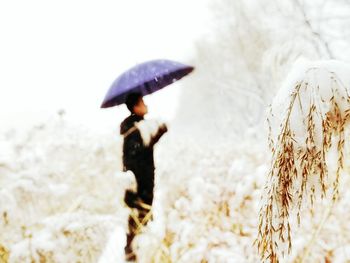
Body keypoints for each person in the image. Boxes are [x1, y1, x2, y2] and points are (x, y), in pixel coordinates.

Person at [121, 93, 167, 261]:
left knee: (139, 215)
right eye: (142, 102)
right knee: (139, 214)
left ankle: (133, 250)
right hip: (140, 180)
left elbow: (144, 147)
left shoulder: (134, 126)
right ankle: (131, 252)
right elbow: (140, 151)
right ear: (135, 107)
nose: (146, 105)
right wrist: (160, 131)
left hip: (140, 178)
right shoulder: (135, 128)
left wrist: (159, 132)